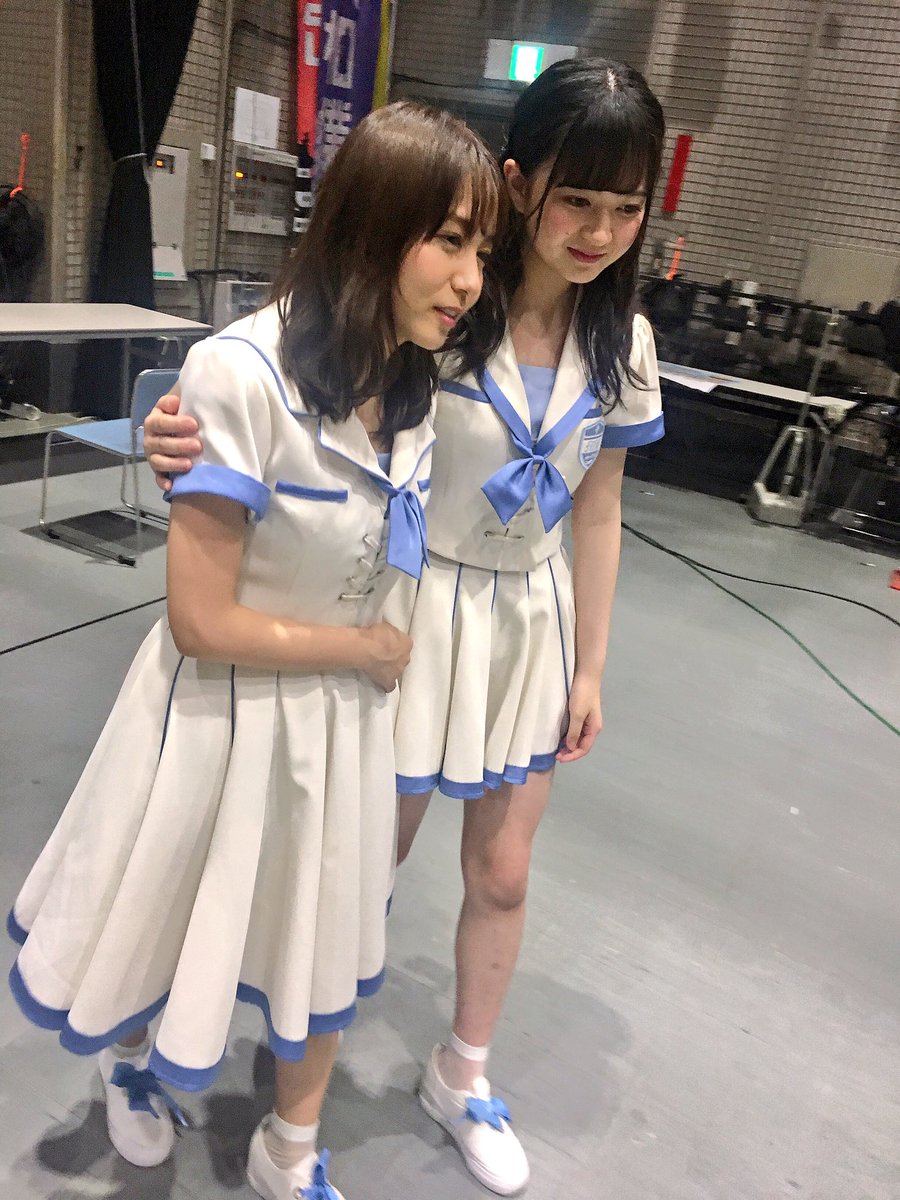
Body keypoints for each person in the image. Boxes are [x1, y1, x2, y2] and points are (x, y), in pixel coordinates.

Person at [143, 59, 666, 1196]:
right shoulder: (447, 311)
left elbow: (601, 508)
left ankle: (460, 1073)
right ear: (521, 184)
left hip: (528, 626)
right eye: (577, 199)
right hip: (409, 610)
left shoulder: (621, 344)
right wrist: (177, 432)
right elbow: (295, 378)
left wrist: (591, 667)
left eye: (627, 208)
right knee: (350, 865)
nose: (598, 232)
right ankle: (250, 1046)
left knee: (506, 873)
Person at [6, 101, 502, 1200]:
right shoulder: (239, 373)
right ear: (373, 224)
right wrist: (362, 649)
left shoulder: (416, 383)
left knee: (314, 937)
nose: (471, 279)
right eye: (450, 241)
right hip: (221, 710)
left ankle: (291, 1151)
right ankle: (133, 1064)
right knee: (172, 904)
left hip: (341, 722)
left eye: (484, 250)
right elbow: (200, 620)